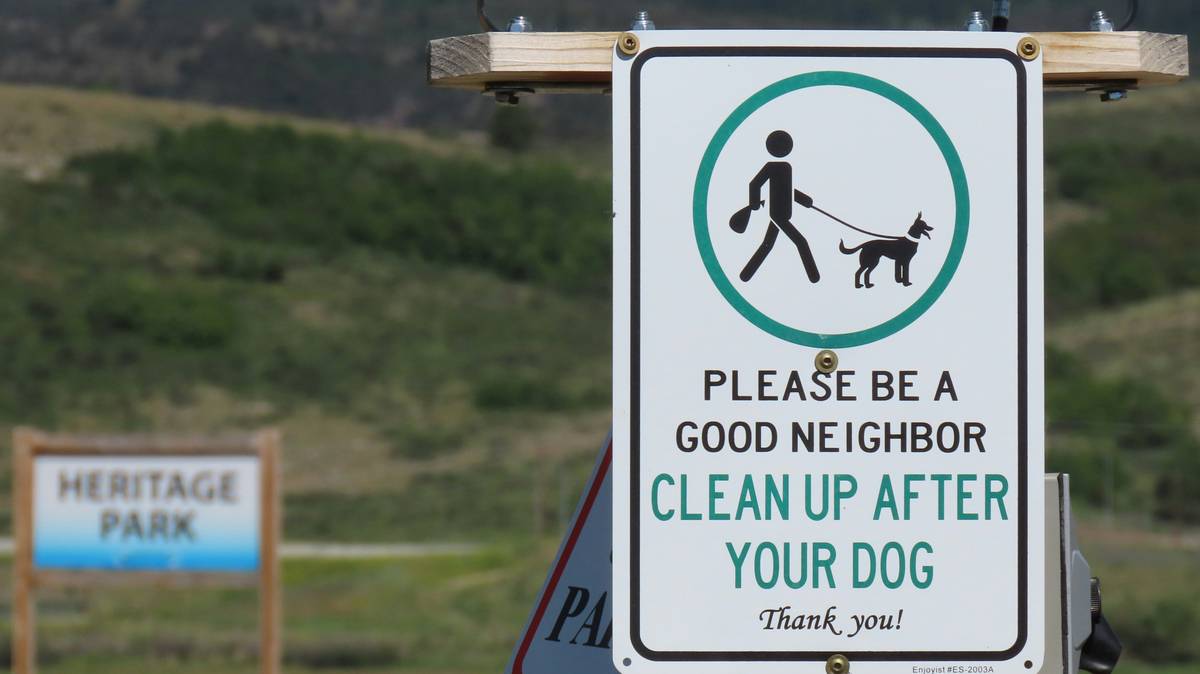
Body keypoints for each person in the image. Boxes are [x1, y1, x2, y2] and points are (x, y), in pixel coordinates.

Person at [741, 130, 820, 283]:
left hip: (782, 213)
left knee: (767, 245)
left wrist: (806, 201)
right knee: (801, 242)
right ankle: (814, 276)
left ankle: (746, 275)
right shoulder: (772, 167)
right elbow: (755, 184)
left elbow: (788, 189)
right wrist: (754, 203)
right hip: (778, 214)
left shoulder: (786, 167)